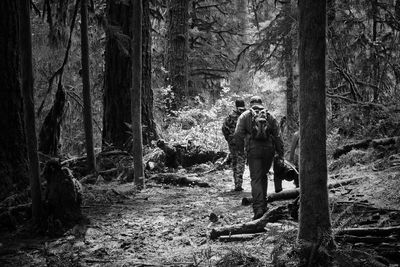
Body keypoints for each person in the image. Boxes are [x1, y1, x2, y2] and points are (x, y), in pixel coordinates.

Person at [233, 96, 284, 220]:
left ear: (251, 104)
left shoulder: (245, 116)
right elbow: (278, 136)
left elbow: (237, 134)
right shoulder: (270, 116)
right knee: (264, 175)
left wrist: (241, 150)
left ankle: (258, 208)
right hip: (268, 150)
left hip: (253, 150)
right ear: (262, 103)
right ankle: (264, 204)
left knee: (256, 178)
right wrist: (280, 153)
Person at [222, 99, 247, 191]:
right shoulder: (247, 115)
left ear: (235, 105)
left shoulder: (230, 116)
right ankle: (238, 184)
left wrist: (229, 138)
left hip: (233, 142)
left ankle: (237, 183)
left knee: (235, 161)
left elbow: (224, 128)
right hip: (242, 142)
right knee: (241, 161)